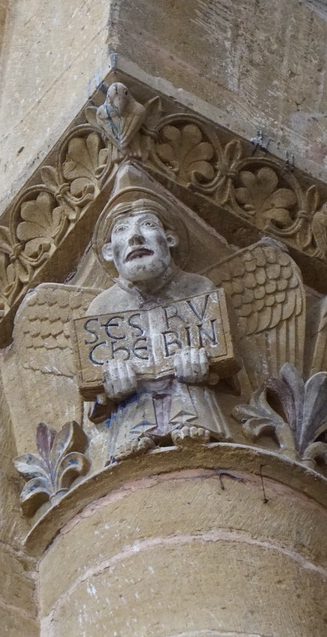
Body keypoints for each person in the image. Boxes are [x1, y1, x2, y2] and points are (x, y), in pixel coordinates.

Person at [87, 182, 230, 460]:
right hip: (132, 408)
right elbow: (91, 382)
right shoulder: (103, 307)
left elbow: (225, 361)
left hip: (192, 399)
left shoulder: (198, 288)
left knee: (187, 373)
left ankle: (194, 423)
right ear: (108, 252)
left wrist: (204, 364)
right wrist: (110, 387)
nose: (135, 238)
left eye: (148, 225)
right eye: (121, 230)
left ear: (170, 238)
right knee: (129, 389)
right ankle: (134, 434)